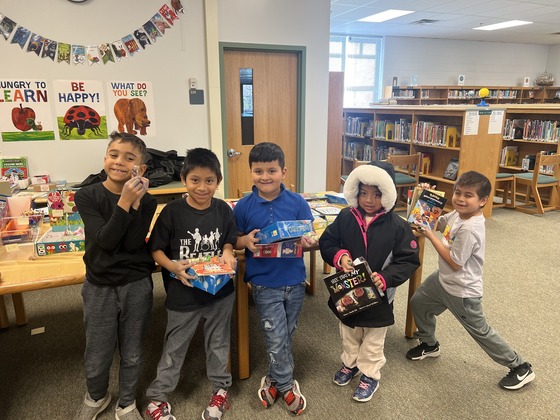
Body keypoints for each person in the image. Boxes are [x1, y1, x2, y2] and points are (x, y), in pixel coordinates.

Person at [406, 171, 535, 390]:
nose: (460, 199)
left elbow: (455, 262)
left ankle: (520, 366)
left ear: (483, 201)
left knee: (480, 331)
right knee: (418, 302)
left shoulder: (470, 229)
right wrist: (425, 196)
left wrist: (430, 236)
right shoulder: (458, 214)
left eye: (468, 195)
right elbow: (434, 222)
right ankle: (429, 344)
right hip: (443, 280)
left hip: (463, 291)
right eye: (458, 193)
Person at [145, 148, 238, 420]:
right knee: (174, 347)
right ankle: (157, 397)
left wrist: (229, 251)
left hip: (220, 292)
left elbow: (229, 239)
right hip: (183, 294)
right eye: (195, 180)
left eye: (209, 180)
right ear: (184, 179)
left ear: (218, 181)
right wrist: (172, 266)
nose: (202, 187)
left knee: (219, 343)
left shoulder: (222, 209)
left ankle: (221, 390)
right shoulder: (172, 212)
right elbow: (156, 249)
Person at [319, 162, 420, 402]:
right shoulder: (345, 217)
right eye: (363, 193)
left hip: (380, 298)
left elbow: (408, 260)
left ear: (388, 194)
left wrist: (385, 278)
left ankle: (370, 374)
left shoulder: (398, 227)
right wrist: (339, 256)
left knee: (373, 339)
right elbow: (327, 242)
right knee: (349, 334)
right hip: (347, 293)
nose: (369, 200)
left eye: (376, 194)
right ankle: (350, 364)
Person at [74, 132, 157, 420]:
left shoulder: (147, 201)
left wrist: (134, 202)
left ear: (141, 169)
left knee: (132, 350)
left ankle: (127, 403)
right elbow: (106, 241)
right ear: (105, 158)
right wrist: (124, 202)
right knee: (97, 350)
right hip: (99, 284)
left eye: (129, 158)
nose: (119, 162)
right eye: (113, 155)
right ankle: (96, 396)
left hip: (135, 282)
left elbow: (133, 243)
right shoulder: (87, 195)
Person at [233, 142, 317, 416]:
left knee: (285, 334)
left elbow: (308, 236)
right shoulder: (244, 206)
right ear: (251, 172)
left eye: (272, 170)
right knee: (275, 335)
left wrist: (308, 241)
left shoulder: (297, 202)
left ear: (284, 171)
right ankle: (286, 385)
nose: (265, 177)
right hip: (263, 282)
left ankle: (271, 378)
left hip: (294, 281)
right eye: (259, 171)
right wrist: (245, 240)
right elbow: (234, 239)